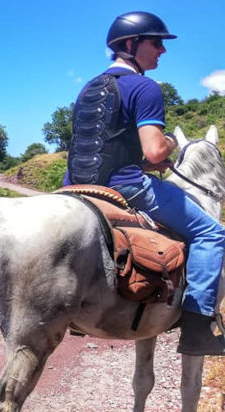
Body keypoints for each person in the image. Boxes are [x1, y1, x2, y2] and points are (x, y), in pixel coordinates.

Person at [66, 11, 225, 356]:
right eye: (156, 43)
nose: (162, 51)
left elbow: (102, 146)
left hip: (73, 188)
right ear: (129, 45)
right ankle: (198, 329)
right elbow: (155, 152)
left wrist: (137, 158)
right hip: (124, 187)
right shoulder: (145, 87)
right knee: (213, 233)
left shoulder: (88, 88)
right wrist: (167, 144)